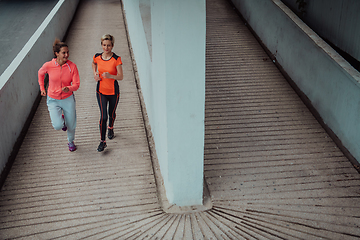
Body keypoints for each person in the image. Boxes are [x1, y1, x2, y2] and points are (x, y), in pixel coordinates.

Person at [38, 38, 80, 152]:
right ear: (57, 54)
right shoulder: (48, 65)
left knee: (71, 124)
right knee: (57, 126)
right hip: (53, 99)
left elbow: (76, 84)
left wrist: (69, 88)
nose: (67, 55)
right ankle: (62, 121)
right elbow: (40, 73)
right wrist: (42, 88)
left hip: (68, 99)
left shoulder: (72, 66)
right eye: (64, 53)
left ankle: (70, 142)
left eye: (67, 52)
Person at [92, 34, 123, 152]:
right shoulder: (97, 57)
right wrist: (95, 73)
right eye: (104, 45)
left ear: (112, 46)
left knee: (112, 113)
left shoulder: (116, 59)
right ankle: (102, 141)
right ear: (101, 45)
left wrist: (111, 76)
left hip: (114, 92)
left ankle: (111, 127)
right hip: (101, 91)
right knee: (103, 116)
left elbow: (121, 76)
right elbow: (93, 63)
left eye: (109, 45)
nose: (106, 47)